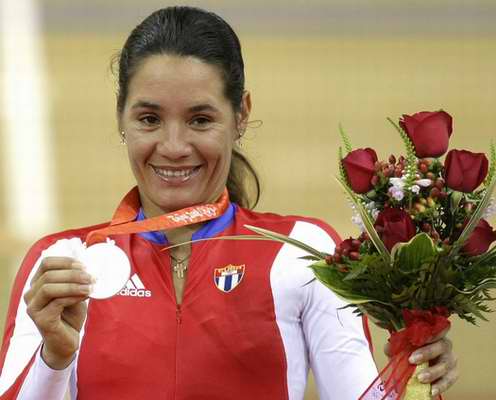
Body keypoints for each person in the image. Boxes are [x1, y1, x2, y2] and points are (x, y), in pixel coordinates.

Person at [0, 6, 458, 400]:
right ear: (120, 116)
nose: (174, 146)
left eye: (200, 119)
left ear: (240, 115)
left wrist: (415, 370)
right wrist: (54, 359)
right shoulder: (62, 264)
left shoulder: (303, 251)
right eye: (149, 118)